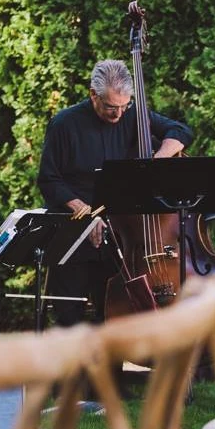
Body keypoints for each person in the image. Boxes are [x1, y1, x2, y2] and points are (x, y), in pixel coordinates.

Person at [37, 59, 194, 327]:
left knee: (112, 315)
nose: (118, 115)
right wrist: (85, 213)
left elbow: (181, 131)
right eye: (111, 107)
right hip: (76, 231)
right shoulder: (64, 124)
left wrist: (159, 157)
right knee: (69, 315)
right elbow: (49, 180)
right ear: (92, 95)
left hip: (123, 235)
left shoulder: (133, 115)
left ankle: (112, 370)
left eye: (124, 106)